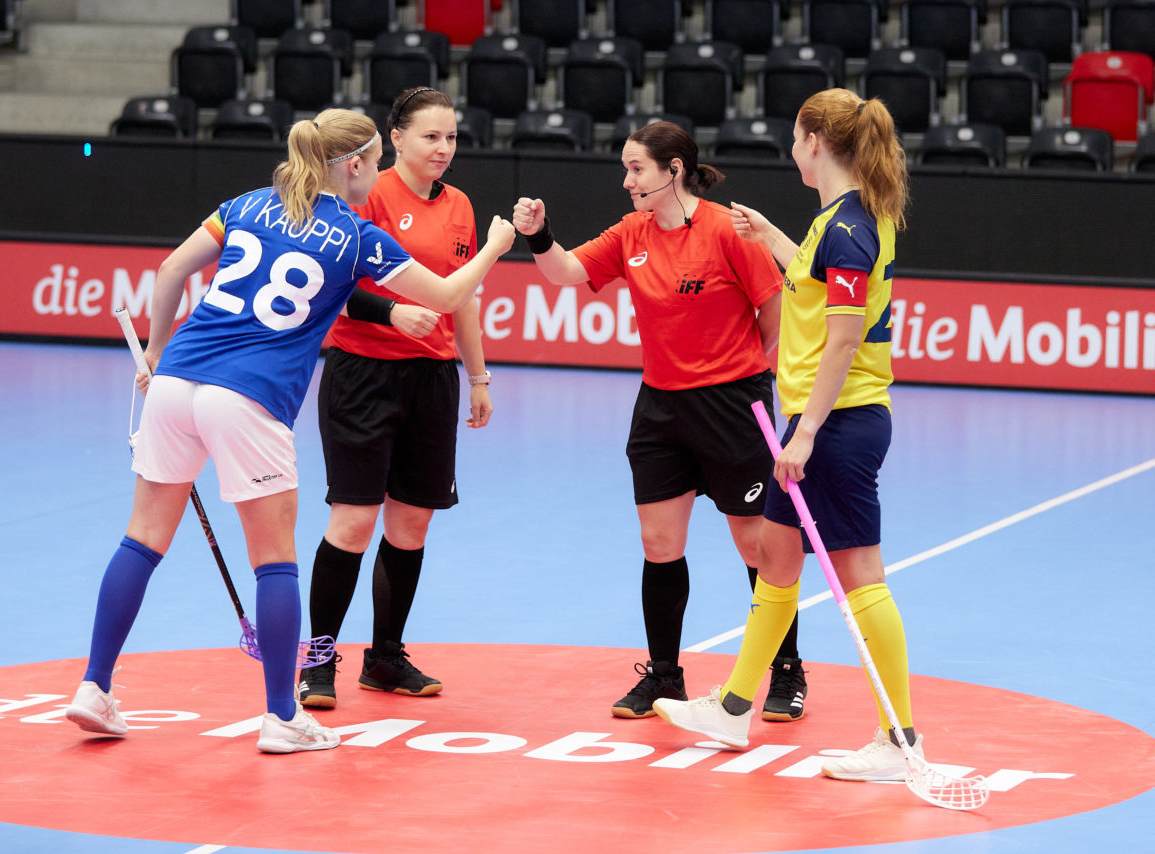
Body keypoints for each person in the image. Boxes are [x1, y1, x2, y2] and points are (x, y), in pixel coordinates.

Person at [64, 109, 515, 753]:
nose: (382, 172)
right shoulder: (356, 236)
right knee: (274, 562)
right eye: (376, 162)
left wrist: (159, 355)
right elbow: (444, 298)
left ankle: (93, 688)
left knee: (141, 541)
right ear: (354, 164)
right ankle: (281, 717)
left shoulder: (246, 204)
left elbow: (169, 273)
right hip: (249, 398)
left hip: (175, 383)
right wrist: (497, 248)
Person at [653, 89, 917, 783]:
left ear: (814, 142)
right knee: (776, 556)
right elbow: (817, 280)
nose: (791, 147)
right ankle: (736, 707)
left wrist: (805, 436)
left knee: (861, 576)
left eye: (795, 137)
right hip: (816, 418)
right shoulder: (842, 220)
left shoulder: (848, 227)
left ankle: (899, 738)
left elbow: (842, 339)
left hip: (837, 422)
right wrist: (772, 237)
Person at [512, 121, 810, 721]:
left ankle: (786, 670)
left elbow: (774, 305)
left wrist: (744, 363)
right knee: (659, 544)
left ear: (673, 171)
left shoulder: (728, 229)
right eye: (626, 169)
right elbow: (567, 272)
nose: (627, 181)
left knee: (756, 544)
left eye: (637, 170)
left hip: (733, 405)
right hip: (661, 407)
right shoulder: (632, 232)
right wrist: (539, 235)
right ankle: (665, 675)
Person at [297, 87, 493, 709]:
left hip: (431, 379)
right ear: (397, 139)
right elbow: (335, 286)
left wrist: (478, 374)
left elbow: (461, 295)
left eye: (452, 137)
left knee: (411, 524)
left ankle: (385, 657)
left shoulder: (460, 205)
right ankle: (319, 661)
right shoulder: (367, 194)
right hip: (363, 374)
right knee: (353, 522)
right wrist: (389, 314)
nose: (443, 148)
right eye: (431, 136)